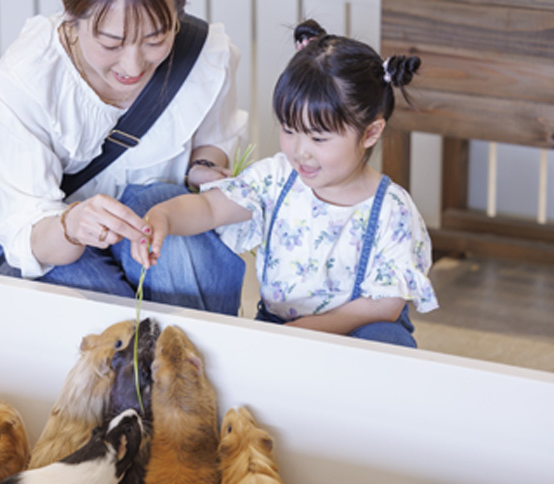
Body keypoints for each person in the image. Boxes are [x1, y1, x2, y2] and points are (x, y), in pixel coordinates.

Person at [131, 19, 439, 347]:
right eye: (289, 130)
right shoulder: (276, 178)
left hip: (357, 330)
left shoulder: (392, 209)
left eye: (319, 138)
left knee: (388, 341)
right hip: (278, 325)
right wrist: (164, 215)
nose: (299, 151)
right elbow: (210, 207)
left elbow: (386, 305)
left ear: (371, 133)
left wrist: (309, 329)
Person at [0, 0, 248, 316]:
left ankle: (198, 352)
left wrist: (203, 168)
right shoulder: (26, 78)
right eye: (110, 43)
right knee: (99, 319)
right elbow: (30, 237)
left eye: (155, 40)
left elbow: (213, 139)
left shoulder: (204, 55)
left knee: (177, 242)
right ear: (73, 16)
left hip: (153, 213)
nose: (132, 66)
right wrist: (72, 225)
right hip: (52, 237)